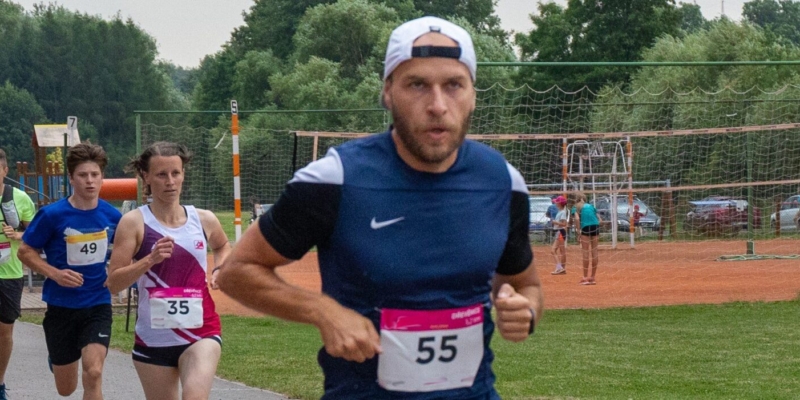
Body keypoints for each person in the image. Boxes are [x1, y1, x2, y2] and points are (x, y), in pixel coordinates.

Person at [217, 16, 543, 399]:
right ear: (388, 92)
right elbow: (236, 272)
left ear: (473, 94)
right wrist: (322, 310)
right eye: (417, 85)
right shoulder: (334, 179)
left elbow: (525, 284)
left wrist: (525, 310)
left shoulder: (503, 182)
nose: (438, 106)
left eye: (454, 85)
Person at [106, 141, 231, 400]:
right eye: (162, 174)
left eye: (176, 173)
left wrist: (220, 267)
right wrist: (149, 260)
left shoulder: (204, 219)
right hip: (154, 339)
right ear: (146, 177)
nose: (170, 182)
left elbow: (222, 245)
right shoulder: (134, 223)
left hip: (201, 331)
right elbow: (114, 283)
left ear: (183, 174)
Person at [17, 143, 121, 400]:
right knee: (66, 389)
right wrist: (55, 274)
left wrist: (118, 272)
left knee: (94, 372)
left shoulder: (112, 216)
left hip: (97, 303)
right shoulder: (52, 215)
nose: (90, 181)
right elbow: (25, 252)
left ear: (102, 177)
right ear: (72, 178)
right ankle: (57, 360)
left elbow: (129, 249)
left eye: (95, 175)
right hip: (61, 306)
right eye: (83, 175)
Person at [0, 149, 37, 400]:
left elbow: (35, 234)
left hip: (10, 273)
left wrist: (17, 235)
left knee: (5, 332)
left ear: (5, 170)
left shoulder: (19, 198)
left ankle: (0, 382)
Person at [570, 192, 601, 285]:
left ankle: (585, 278)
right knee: (594, 252)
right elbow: (600, 220)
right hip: (595, 226)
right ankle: (592, 277)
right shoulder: (591, 206)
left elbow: (577, 219)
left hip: (585, 227)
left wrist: (578, 232)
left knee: (585, 252)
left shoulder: (575, 207)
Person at [550, 196, 568, 275]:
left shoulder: (562, 212)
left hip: (560, 232)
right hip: (559, 232)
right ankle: (561, 268)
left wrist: (555, 222)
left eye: (556, 202)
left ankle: (560, 268)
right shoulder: (560, 212)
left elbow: (564, 224)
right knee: (559, 251)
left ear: (560, 203)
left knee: (555, 250)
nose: (555, 203)